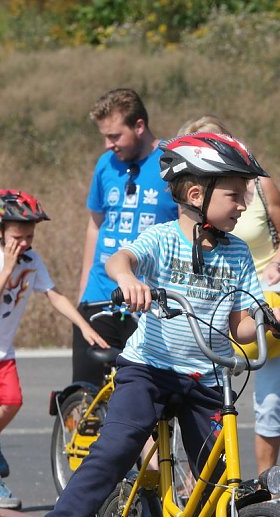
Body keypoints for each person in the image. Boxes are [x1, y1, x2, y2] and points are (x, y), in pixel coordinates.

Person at [18, 133, 280, 517]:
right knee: (117, 446)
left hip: (208, 378)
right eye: (234, 196)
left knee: (223, 481)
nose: (243, 205)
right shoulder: (162, 239)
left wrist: (266, 319)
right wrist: (129, 280)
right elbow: (119, 260)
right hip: (150, 370)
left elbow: (238, 322)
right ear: (197, 195)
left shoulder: (238, 252)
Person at [0, 189, 108, 510]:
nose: (24, 244)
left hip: (1, 349)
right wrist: (7, 268)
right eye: (17, 237)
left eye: (30, 236)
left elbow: (55, 295)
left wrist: (84, 325)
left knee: (12, 402)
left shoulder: (33, 261)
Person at [177, 116, 280, 482]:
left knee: (269, 402)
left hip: (265, 296)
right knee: (201, 396)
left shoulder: (261, 186)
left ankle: (267, 485)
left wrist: (277, 264)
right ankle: (207, 481)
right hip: (212, 302)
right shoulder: (192, 196)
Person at [73, 88, 178, 386]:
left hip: (147, 301)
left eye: (115, 136)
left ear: (139, 126)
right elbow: (95, 225)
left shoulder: (171, 163)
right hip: (99, 296)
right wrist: (84, 290)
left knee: (142, 401)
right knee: (86, 395)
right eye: (105, 137)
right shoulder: (105, 164)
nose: (109, 145)